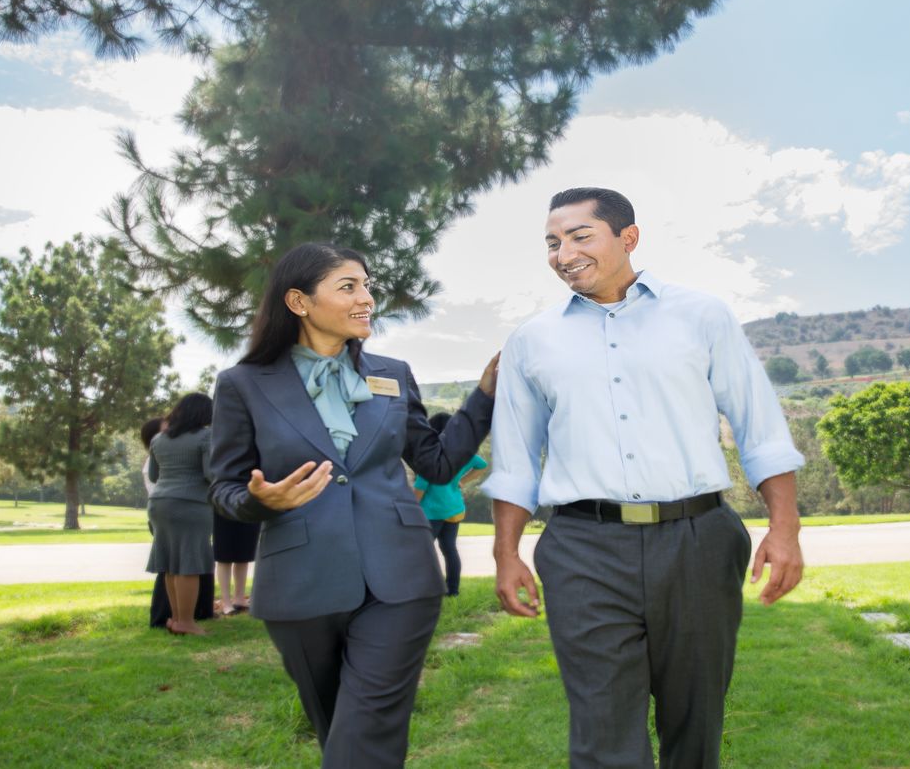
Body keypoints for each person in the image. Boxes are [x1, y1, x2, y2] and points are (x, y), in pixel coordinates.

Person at [485, 187, 807, 769]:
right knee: (601, 730)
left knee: (695, 720)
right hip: (582, 548)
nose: (563, 254)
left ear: (628, 237)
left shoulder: (702, 315)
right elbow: (515, 459)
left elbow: (759, 428)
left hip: (698, 540)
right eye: (553, 243)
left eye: (580, 236)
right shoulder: (532, 340)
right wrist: (506, 554)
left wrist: (785, 529)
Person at [209, 242, 498, 768]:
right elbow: (224, 488)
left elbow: (435, 463)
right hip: (299, 586)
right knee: (339, 731)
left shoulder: (392, 373)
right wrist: (259, 501)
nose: (367, 298)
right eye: (349, 287)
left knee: (365, 731)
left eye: (367, 286)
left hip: (401, 579)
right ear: (299, 301)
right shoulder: (242, 384)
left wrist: (483, 398)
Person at [147, 393, 216, 636]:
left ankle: (176, 618)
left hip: (159, 504)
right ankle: (187, 622)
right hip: (191, 504)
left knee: (170, 564)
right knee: (189, 564)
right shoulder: (206, 436)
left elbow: (154, 476)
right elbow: (210, 474)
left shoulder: (159, 439)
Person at [413, 411, 487, 597]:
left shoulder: (431, 455)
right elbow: (482, 465)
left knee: (422, 552)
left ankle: (423, 591)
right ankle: (452, 590)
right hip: (453, 509)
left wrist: (411, 508)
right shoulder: (462, 452)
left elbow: (421, 486)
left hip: (432, 512)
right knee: (449, 549)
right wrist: (462, 481)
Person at [213, 501, 260, 616]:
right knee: (224, 556)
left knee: (244, 554)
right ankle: (226, 602)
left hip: (248, 505)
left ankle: (239, 598)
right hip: (224, 505)